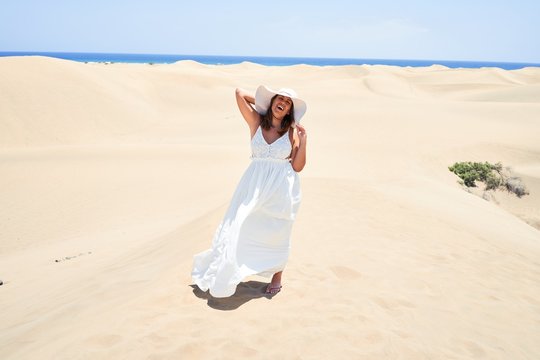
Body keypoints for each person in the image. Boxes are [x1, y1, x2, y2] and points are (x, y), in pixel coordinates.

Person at [191, 85, 308, 298]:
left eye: (287, 102)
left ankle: (277, 276)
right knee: (239, 222)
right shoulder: (255, 122)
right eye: (279, 99)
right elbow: (239, 94)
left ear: (291, 110)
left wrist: (304, 140)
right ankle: (235, 266)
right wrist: (265, 104)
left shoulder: (292, 133)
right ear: (271, 102)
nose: (282, 103)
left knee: (277, 230)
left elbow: (298, 166)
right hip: (253, 184)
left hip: (282, 186)